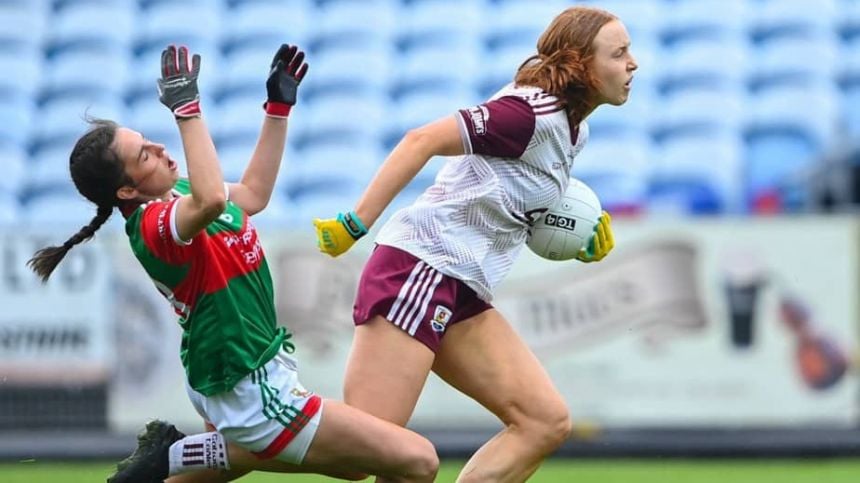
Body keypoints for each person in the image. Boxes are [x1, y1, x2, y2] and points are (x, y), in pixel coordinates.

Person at [28, 43, 439, 483]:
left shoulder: (178, 192)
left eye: (147, 139)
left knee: (350, 466)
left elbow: (255, 194)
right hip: (247, 382)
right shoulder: (153, 224)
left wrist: (277, 109)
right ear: (126, 192)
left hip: (232, 371)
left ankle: (169, 459)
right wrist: (187, 109)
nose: (159, 147)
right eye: (144, 154)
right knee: (418, 460)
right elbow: (212, 199)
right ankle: (172, 456)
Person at [313, 6, 633, 482]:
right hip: (418, 272)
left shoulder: (573, 129)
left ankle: (254, 431)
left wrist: (573, 237)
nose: (633, 63)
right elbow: (420, 139)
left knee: (544, 421)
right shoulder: (526, 113)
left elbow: (505, 199)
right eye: (620, 52)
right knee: (370, 454)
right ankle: (224, 448)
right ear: (581, 64)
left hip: (462, 287)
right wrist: (355, 223)